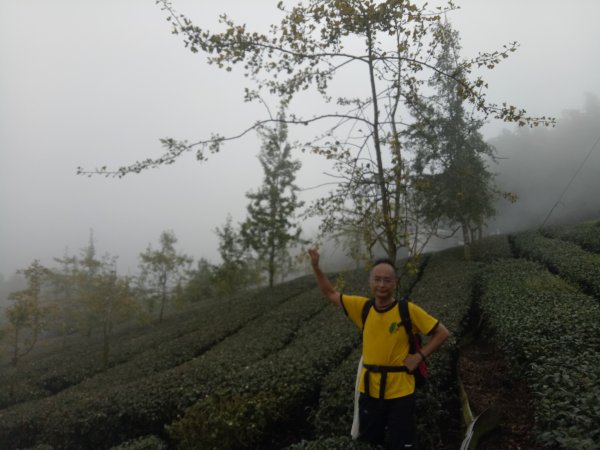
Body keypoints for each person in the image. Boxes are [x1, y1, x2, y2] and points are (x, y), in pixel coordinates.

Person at [308, 247, 450, 449]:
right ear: (370, 282)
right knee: (369, 444)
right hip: (369, 391)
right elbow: (330, 293)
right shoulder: (363, 308)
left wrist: (419, 356)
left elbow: (442, 332)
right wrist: (315, 267)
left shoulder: (406, 310)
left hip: (400, 392)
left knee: (403, 444)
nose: (381, 285)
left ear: (395, 283)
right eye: (377, 279)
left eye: (387, 280)